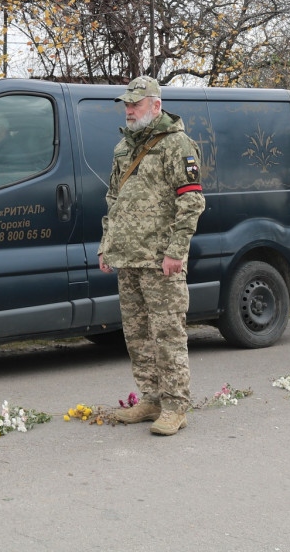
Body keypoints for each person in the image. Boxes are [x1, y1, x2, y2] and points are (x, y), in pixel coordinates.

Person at [99, 76, 205, 436]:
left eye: (136, 105)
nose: (129, 111)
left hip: (161, 261)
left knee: (167, 334)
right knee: (137, 334)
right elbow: (113, 200)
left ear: (155, 106)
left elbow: (191, 202)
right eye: (127, 105)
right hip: (129, 257)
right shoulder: (123, 148)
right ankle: (151, 398)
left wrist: (176, 252)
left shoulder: (178, 145)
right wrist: (106, 245)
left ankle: (175, 406)